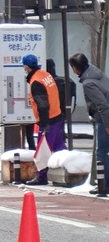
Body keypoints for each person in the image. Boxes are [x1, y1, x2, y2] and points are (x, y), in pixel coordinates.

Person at [68, 53, 109, 197]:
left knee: (102, 152)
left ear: (76, 68)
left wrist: (107, 124)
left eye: (72, 67)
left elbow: (101, 105)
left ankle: (106, 184)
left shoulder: (88, 83)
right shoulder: (96, 72)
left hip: (104, 118)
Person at [21, 54, 66, 186]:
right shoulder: (45, 75)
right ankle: (66, 172)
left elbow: (42, 104)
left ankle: (41, 176)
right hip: (57, 116)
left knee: (43, 151)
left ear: (26, 67)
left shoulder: (36, 82)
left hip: (49, 120)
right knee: (59, 148)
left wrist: (44, 123)